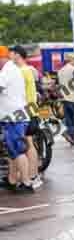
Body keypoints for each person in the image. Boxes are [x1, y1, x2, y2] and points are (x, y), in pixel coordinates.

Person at [0, 46, 34, 193]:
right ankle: (12, 180)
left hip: (14, 117)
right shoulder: (10, 69)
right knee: (12, 150)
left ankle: (26, 183)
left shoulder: (7, 71)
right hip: (12, 116)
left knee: (18, 150)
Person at [10, 45, 42, 189]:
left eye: (12, 53)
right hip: (31, 109)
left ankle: (30, 175)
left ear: (17, 55)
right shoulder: (29, 70)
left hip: (25, 111)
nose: (10, 56)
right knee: (30, 143)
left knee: (27, 145)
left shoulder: (22, 71)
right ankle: (33, 174)